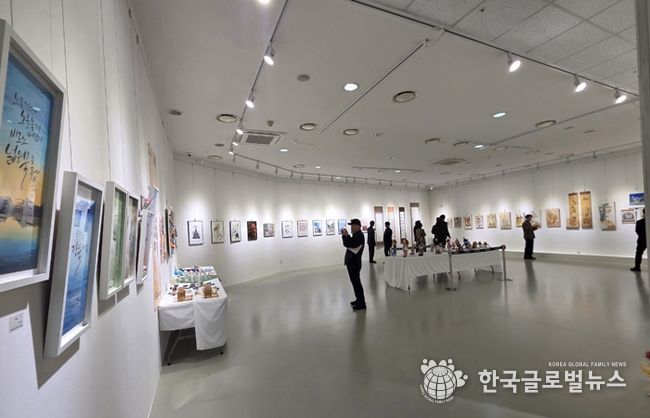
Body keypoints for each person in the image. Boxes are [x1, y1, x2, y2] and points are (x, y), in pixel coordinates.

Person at [342, 219, 366, 311]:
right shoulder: (356, 235)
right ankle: (358, 300)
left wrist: (346, 236)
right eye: (351, 226)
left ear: (358, 226)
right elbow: (347, 244)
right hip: (352, 263)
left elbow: (350, 243)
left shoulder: (359, 236)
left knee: (357, 283)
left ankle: (362, 303)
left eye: (353, 226)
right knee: (355, 283)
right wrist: (345, 236)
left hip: (354, 263)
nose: (351, 227)